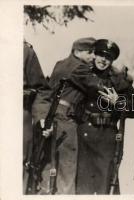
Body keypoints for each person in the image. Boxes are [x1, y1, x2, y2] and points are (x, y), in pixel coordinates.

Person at [69, 39, 134, 194]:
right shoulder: (83, 72)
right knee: (83, 185)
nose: (103, 60)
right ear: (94, 55)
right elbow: (88, 84)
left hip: (107, 136)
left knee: (105, 185)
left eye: (108, 57)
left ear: (112, 60)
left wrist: (119, 102)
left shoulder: (119, 80)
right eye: (100, 55)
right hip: (85, 134)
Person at [31, 37, 96, 194]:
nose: (93, 57)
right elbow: (96, 86)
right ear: (77, 51)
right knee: (67, 166)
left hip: (52, 115)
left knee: (50, 163)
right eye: (90, 53)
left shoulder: (60, 64)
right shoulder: (80, 67)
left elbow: (47, 91)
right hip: (66, 118)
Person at [23, 40, 49, 192]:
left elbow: (41, 89)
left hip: (18, 114)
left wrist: (41, 117)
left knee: (19, 162)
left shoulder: (25, 52)